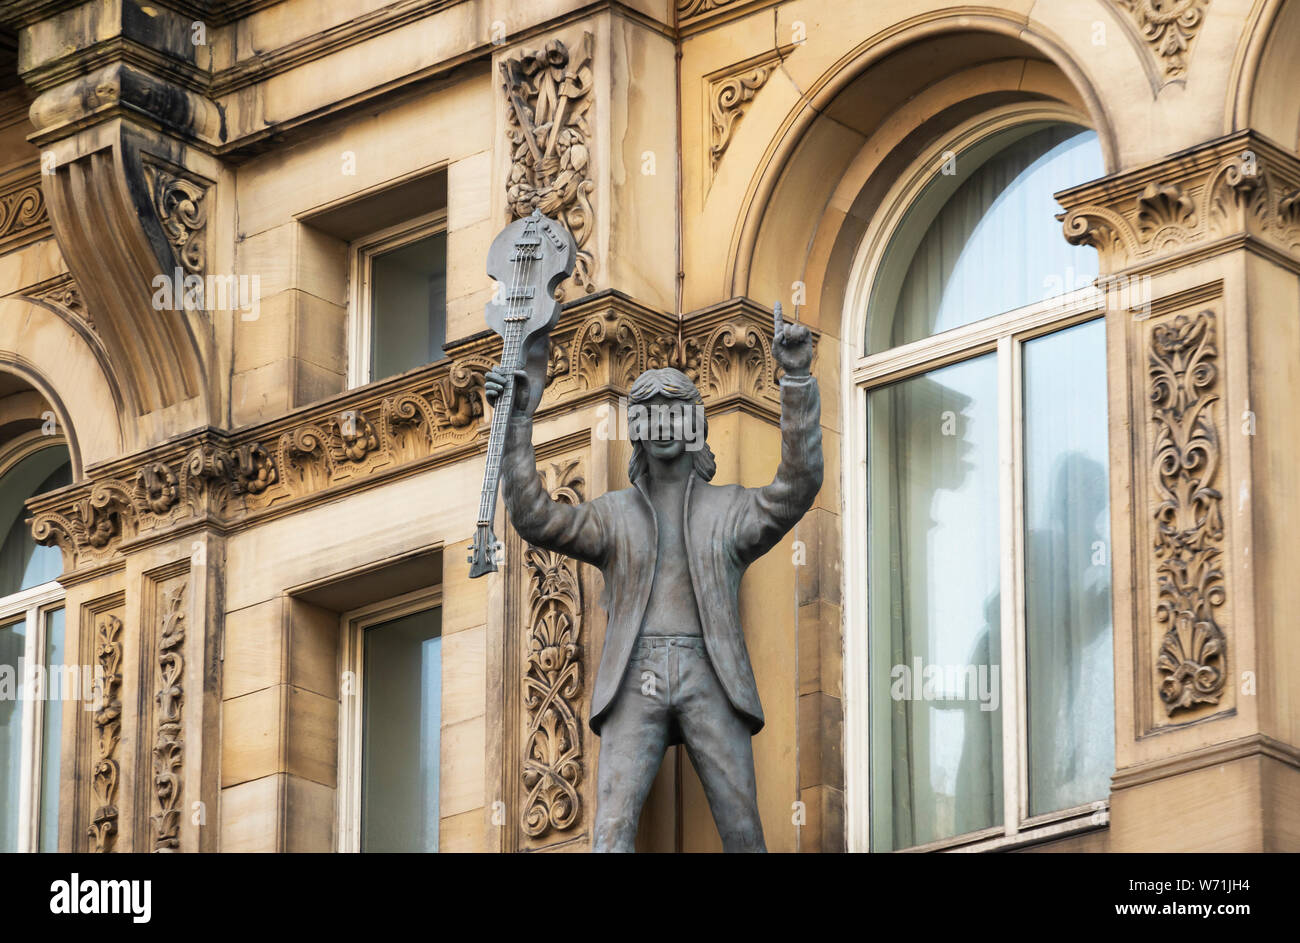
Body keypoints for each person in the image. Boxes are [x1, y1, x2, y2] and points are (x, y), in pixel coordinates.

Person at [484, 312, 821, 852]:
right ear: (638, 428)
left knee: (743, 832)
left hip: (709, 672)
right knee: (611, 833)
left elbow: (797, 486)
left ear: (695, 425)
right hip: (634, 674)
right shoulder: (614, 516)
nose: (663, 424)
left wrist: (798, 380)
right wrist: (518, 422)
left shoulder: (729, 508)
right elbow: (534, 517)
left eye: (676, 413)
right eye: (650, 414)